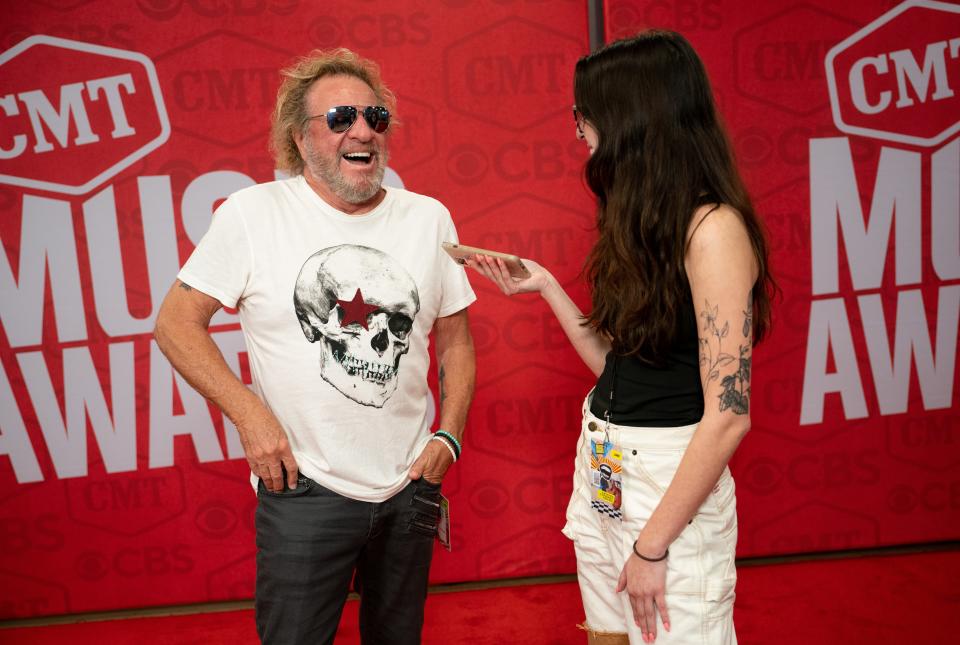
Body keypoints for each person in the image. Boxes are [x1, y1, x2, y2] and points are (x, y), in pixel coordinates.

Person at [154, 48, 476, 644]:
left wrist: (448, 436)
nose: (363, 131)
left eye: (375, 118)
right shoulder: (253, 215)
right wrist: (251, 416)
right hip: (304, 491)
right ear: (299, 140)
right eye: (340, 119)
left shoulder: (429, 218)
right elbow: (175, 323)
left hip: (411, 487)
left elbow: (455, 341)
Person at [467, 30, 774, 644]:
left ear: (631, 116)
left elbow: (729, 416)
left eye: (583, 113)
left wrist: (653, 547)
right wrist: (549, 286)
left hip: (668, 485)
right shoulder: (639, 218)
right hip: (604, 466)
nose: (577, 129)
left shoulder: (713, 229)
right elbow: (619, 369)